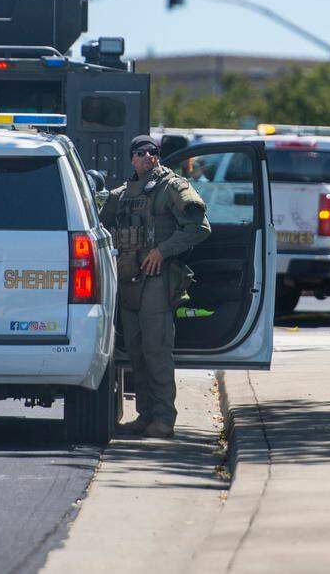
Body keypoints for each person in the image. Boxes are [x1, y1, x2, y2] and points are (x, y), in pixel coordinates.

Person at [99, 135, 211, 438]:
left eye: (153, 152)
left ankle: (163, 417)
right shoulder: (120, 195)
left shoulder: (172, 187)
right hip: (127, 279)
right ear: (132, 158)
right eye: (142, 152)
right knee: (135, 351)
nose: (149, 156)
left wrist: (163, 251)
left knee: (156, 350)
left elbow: (199, 227)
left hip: (157, 281)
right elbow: (97, 227)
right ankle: (145, 415)